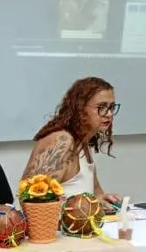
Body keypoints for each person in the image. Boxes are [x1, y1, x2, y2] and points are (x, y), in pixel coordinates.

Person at [22, 76, 120, 206]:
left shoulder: (84, 141)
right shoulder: (62, 141)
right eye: (101, 107)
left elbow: (96, 193)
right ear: (80, 108)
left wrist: (102, 200)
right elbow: (32, 201)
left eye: (112, 107)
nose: (109, 114)